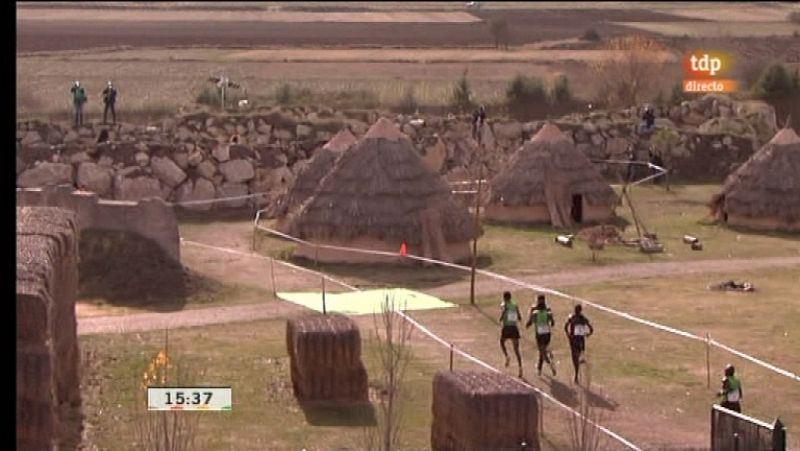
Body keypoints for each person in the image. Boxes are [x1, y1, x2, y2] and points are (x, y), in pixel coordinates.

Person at [525, 294, 556, 377]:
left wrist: (528, 324)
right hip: (547, 334)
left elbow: (530, 321)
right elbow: (553, 322)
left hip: (539, 334)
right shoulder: (548, 310)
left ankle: (550, 365)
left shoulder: (534, 310)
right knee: (541, 352)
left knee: (542, 352)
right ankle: (539, 368)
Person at [564, 304, 594, 383]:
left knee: (574, 358)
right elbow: (591, 329)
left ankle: (576, 373)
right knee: (577, 355)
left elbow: (566, 327)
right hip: (580, 340)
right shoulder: (583, 319)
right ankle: (580, 360)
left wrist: (568, 335)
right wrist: (588, 334)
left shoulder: (572, 318)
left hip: (574, 340)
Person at [499, 291, 523, 377]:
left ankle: (507, 356)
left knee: (502, 342)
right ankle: (520, 367)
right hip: (514, 328)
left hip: (507, 327)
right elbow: (519, 317)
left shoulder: (503, 305)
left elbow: (503, 313)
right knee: (517, 350)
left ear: (504, 298)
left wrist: (501, 318)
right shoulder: (515, 305)